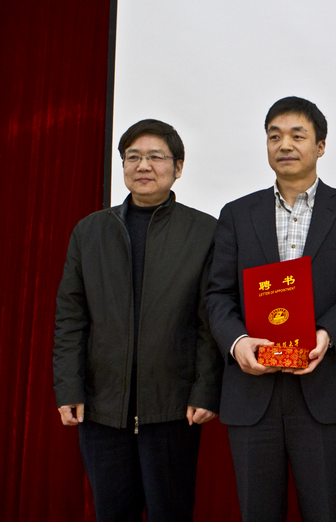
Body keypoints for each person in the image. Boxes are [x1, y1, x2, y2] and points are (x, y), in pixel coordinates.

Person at [206, 96, 336, 522]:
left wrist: (327, 335)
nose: (284, 144)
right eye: (274, 136)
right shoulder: (236, 214)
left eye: (297, 136)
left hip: (323, 390)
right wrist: (238, 342)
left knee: (325, 512)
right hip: (252, 393)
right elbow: (217, 295)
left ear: (320, 146)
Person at [53, 119, 223, 522]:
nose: (143, 166)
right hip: (101, 407)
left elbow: (209, 321)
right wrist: (69, 388)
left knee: (171, 512)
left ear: (178, 167)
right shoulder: (90, 232)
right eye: (133, 157)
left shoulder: (205, 232)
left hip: (173, 408)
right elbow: (70, 318)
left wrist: (205, 391)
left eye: (155, 157)